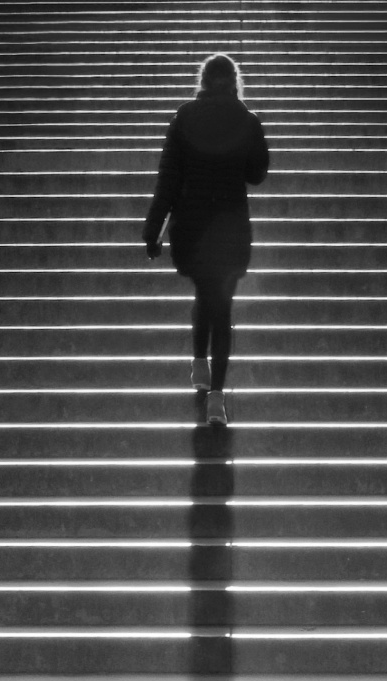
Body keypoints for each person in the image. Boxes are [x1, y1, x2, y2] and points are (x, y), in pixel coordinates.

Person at [142, 53, 270, 426]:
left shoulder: (184, 117)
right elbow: (257, 173)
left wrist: (153, 229)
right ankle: (216, 398)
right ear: (234, 82)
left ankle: (199, 362)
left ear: (203, 81)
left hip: (193, 228)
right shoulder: (246, 120)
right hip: (230, 230)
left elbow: (168, 178)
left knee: (203, 293)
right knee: (223, 307)